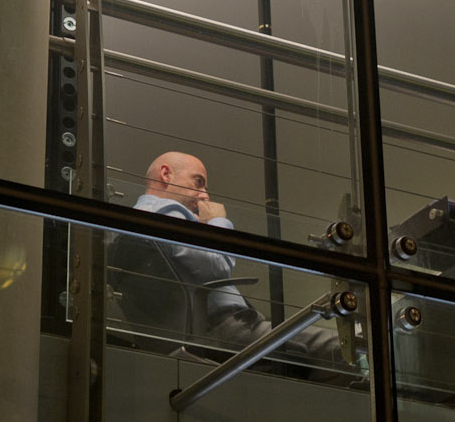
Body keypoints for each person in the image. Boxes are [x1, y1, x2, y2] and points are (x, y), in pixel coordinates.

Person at [126, 151, 346, 378]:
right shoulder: (167, 211)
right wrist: (218, 221)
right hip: (226, 328)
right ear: (166, 174)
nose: (204, 196)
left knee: (324, 346)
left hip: (222, 327)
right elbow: (218, 265)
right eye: (198, 182)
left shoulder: (143, 218)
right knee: (334, 347)